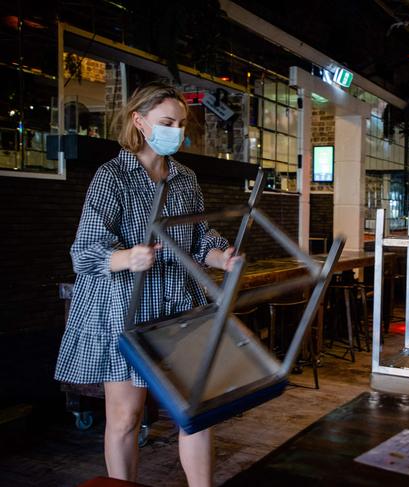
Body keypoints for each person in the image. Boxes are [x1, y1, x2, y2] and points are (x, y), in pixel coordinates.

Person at [54, 81, 238, 486]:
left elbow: (199, 238)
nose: (177, 129)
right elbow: (84, 251)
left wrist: (222, 256)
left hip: (176, 308)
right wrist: (126, 257)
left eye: (181, 122)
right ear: (139, 121)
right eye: (167, 121)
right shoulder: (112, 176)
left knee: (196, 414)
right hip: (124, 309)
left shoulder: (185, 178)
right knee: (125, 417)